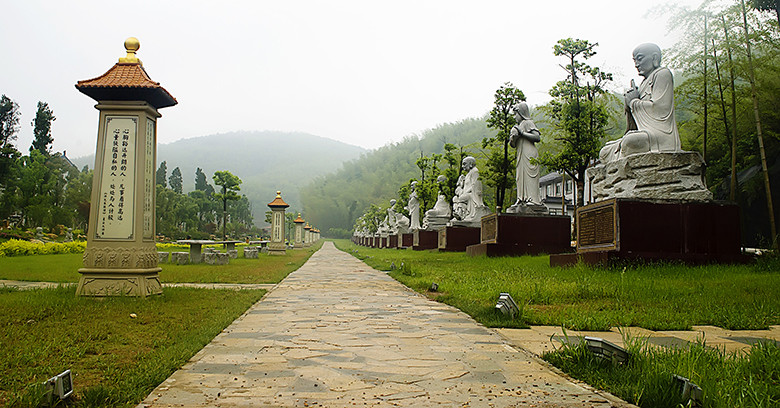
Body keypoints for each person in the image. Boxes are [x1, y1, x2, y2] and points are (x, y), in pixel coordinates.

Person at [600, 43, 681, 163]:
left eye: (640, 59)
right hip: (645, 135)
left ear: (654, 58)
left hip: (660, 137)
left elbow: (660, 110)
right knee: (605, 152)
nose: (636, 65)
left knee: (630, 142)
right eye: (634, 61)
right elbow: (634, 128)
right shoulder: (643, 84)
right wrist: (628, 107)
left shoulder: (662, 74)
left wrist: (633, 102)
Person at [509, 101, 542, 206]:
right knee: (520, 177)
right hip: (521, 154)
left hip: (529, 154)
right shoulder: (518, 126)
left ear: (522, 113)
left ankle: (533, 200)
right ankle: (521, 198)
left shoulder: (528, 123)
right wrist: (513, 138)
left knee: (530, 177)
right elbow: (513, 145)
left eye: (516, 114)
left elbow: (537, 137)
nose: (515, 117)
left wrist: (522, 133)